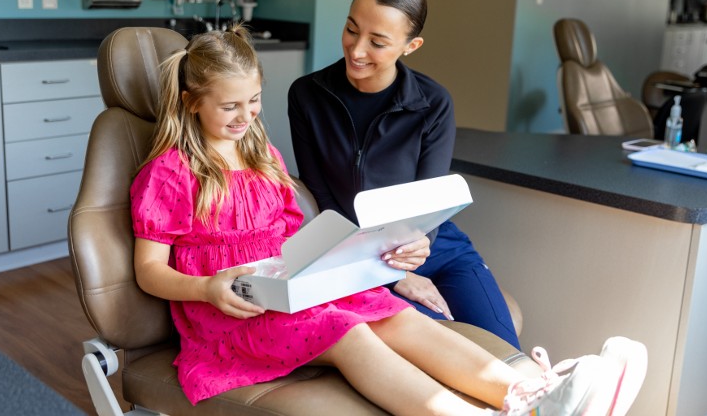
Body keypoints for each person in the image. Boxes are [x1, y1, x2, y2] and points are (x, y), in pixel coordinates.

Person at [130, 26, 646, 415]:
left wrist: (344, 256)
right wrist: (206, 289)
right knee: (349, 331)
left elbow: (293, 233)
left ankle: (534, 395)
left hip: (288, 284)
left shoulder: (261, 153)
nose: (246, 117)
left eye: (255, 103)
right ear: (190, 102)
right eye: (230, 107)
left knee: (391, 311)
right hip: (229, 314)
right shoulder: (170, 174)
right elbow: (149, 270)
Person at [288, 0, 520, 348]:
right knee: (446, 349)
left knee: (503, 345)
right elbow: (323, 200)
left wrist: (418, 248)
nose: (357, 50)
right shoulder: (307, 96)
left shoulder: (434, 104)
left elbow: (428, 203)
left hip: (435, 247)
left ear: (411, 46)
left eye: (378, 42)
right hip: (358, 255)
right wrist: (388, 274)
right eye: (351, 29)